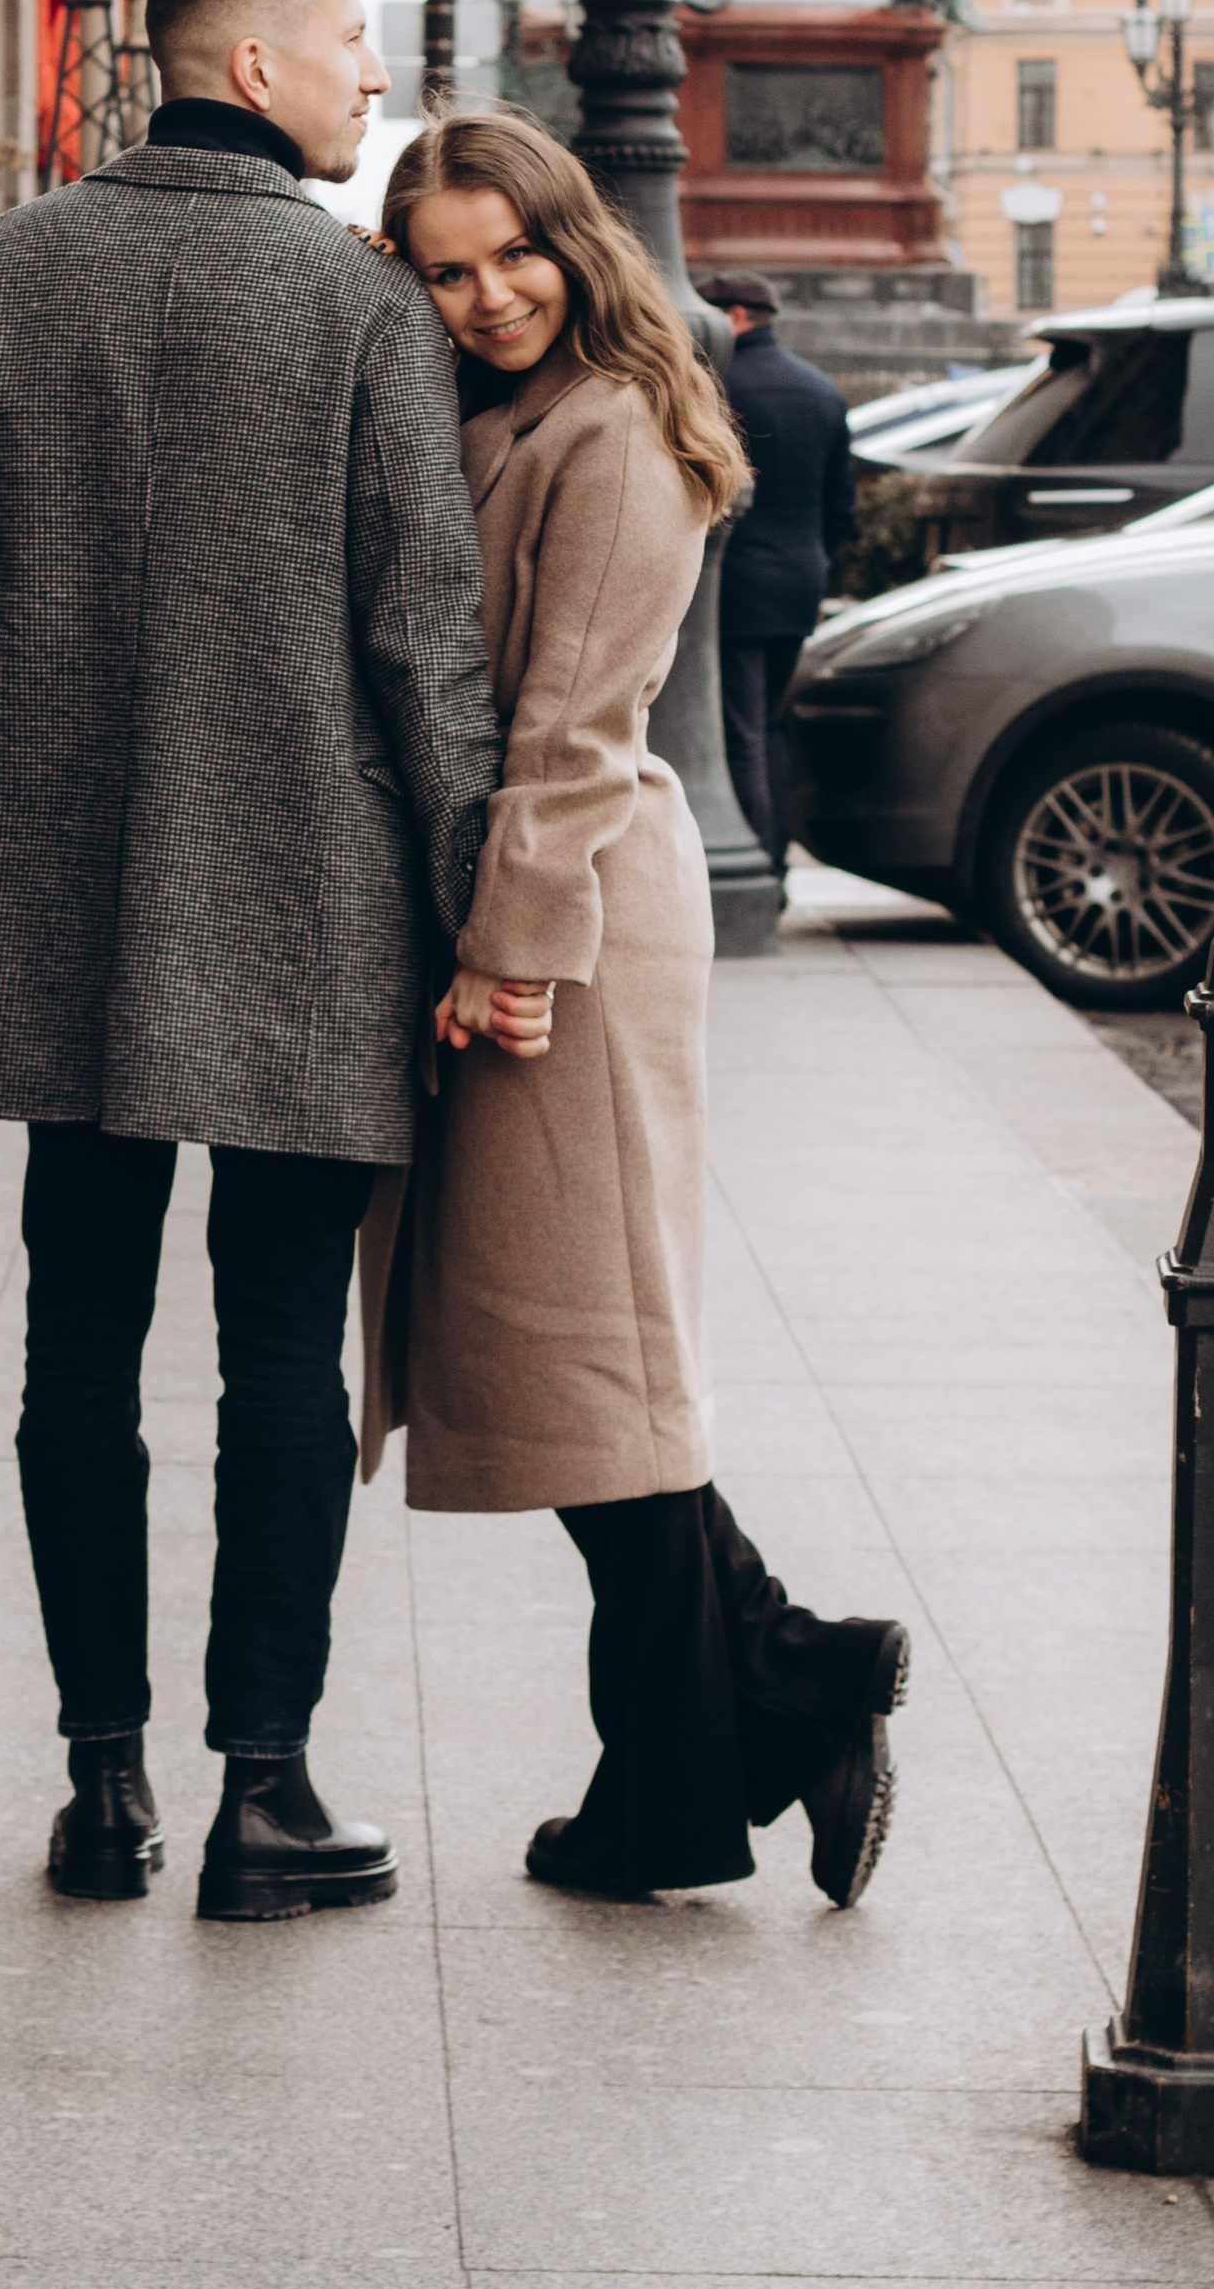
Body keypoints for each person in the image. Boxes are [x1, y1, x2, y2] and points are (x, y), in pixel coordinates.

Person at [0, 0, 507, 1922]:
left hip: (56, 905)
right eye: (347, 45)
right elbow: (421, 646)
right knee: (277, 1370)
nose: (370, 81)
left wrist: (31, 753)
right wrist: (473, 911)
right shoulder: (355, 313)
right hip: (304, 913)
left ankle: (97, 1792)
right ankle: (264, 1795)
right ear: (246, 66)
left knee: (72, 1352)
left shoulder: (0, 276)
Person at [367, 116, 909, 1906]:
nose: (488, 291)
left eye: (512, 251)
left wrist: (509, 953)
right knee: (563, 1358)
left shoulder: (614, 432)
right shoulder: (499, 408)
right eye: (446, 266)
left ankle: (707, 1758)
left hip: (571, 923)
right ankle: (759, 1698)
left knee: (589, 1360)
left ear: (573, 238)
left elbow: (577, 727)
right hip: (533, 910)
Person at [695, 268, 856, 875]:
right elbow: (842, 506)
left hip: (733, 585)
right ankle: (775, 861)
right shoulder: (821, 389)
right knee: (767, 725)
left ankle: (760, 868)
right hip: (799, 580)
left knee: (740, 733)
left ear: (733, 318)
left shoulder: (719, 384)